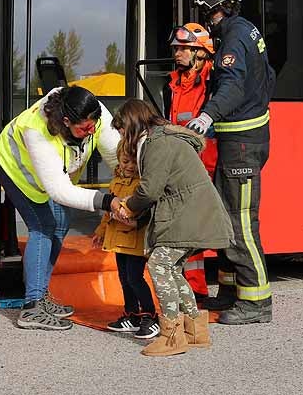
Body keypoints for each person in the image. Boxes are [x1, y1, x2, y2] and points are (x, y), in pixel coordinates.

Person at [186, 0, 276, 325]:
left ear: (212, 7)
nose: (206, 19)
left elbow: (234, 87)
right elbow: (267, 77)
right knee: (224, 219)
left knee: (240, 224)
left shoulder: (234, 38)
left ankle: (257, 303)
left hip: (241, 144)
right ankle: (228, 292)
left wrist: (207, 116)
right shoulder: (247, 30)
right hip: (240, 140)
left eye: (205, 12)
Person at [113, 99, 233, 357]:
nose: (122, 138)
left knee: (158, 265)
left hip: (186, 215)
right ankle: (195, 330)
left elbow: (150, 190)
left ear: (132, 126)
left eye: (122, 131)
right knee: (173, 269)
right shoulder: (163, 138)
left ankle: (171, 336)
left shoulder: (157, 143)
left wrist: (128, 207)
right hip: (192, 213)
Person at [0, 85, 122, 330]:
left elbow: (117, 157)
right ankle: (32, 307)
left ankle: (41, 294)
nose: (90, 132)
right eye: (84, 128)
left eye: (93, 126)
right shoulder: (37, 131)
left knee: (61, 224)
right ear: (66, 121)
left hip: (56, 175)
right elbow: (59, 191)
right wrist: (107, 202)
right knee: (43, 226)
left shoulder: (94, 113)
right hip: (18, 170)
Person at [166, 23, 219, 302]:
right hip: (186, 166)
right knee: (188, 231)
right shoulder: (174, 82)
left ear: (201, 52)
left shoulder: (215, 80)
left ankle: (213, 289)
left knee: (203, 229)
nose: (177, 53)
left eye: (184, 48)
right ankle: (195, 289)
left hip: (209, 165)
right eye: (176, 48)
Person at [90, 136, 160, 340]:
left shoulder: (142, 185)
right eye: (125, 161)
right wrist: (101, 231)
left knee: (135, 278)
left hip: (134, 240)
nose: (129, 166)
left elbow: (141, 211)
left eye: (133, 162)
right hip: (117, 239)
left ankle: (149, 314)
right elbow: (107, 210)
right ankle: (131, 314)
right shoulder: (116, 182)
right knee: (124, 278)